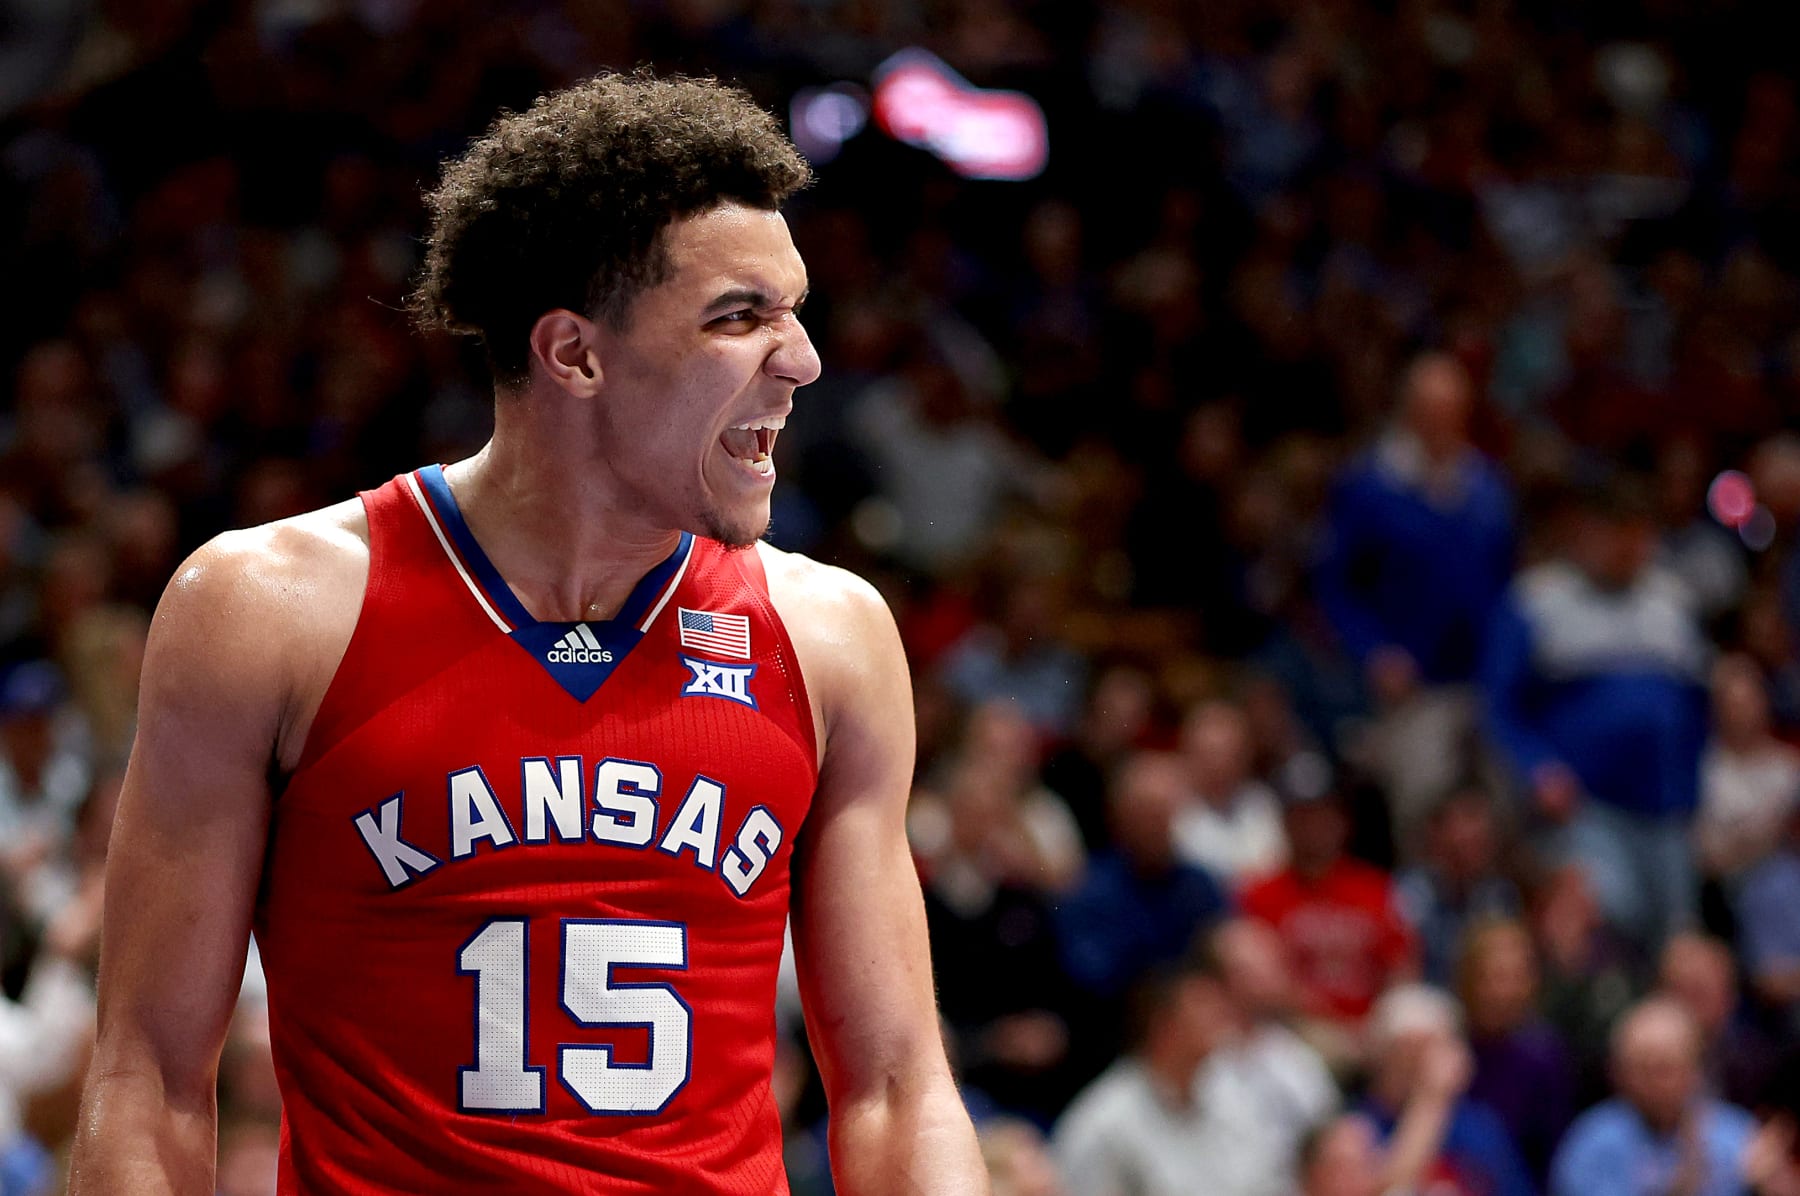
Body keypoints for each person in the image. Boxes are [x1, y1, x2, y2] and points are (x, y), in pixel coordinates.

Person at [68, 72, 984, 1193]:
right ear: (574, 354)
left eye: (795, 313)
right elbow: (148, 1081)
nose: (801, 361)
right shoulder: (267, 610)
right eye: (741, 317)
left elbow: (897, 1087)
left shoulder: (829, 633)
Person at [1549, 998, 1757, 1196]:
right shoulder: (1593, 1143)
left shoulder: (1737, 1137)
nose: (1652, 1084)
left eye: (1664, 1069)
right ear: (1618, 1074)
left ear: (1694, 1070)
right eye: (1640, 1069)